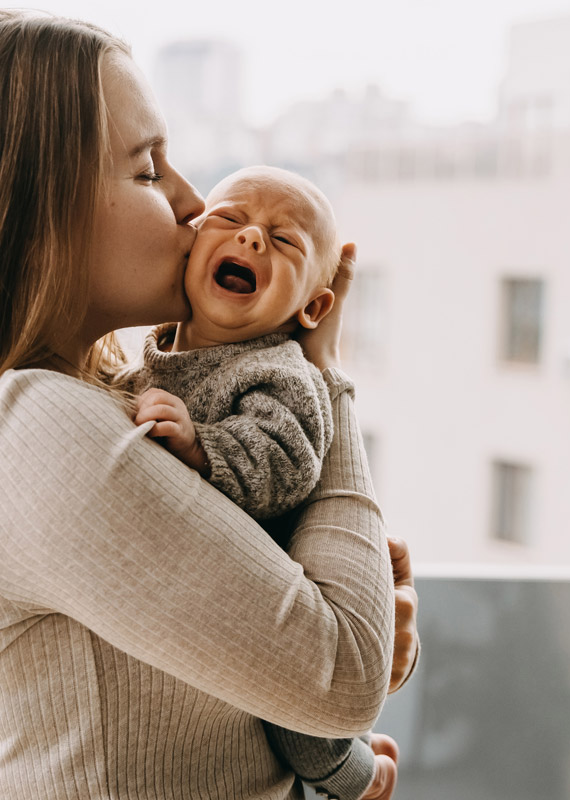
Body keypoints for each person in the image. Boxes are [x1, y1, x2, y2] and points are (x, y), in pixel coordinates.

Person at [0, 10, 419, 800]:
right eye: (147, 172)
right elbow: (343, 678)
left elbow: (316, 667)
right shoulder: (32, 432)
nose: (193, 202)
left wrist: (328, 608)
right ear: (29, 212)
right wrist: (317, 369)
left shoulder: (75, 410)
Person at [129, 165, 388, 799]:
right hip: (208, 600)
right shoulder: (158, 350)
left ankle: (357, 776)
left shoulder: (280, 370)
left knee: (297, 725)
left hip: (279, 590)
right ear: (192, 246)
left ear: (315, 306)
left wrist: (201, 444)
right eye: (231, 219)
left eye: (284, 239)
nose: (250, 240)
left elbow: (287, 459)